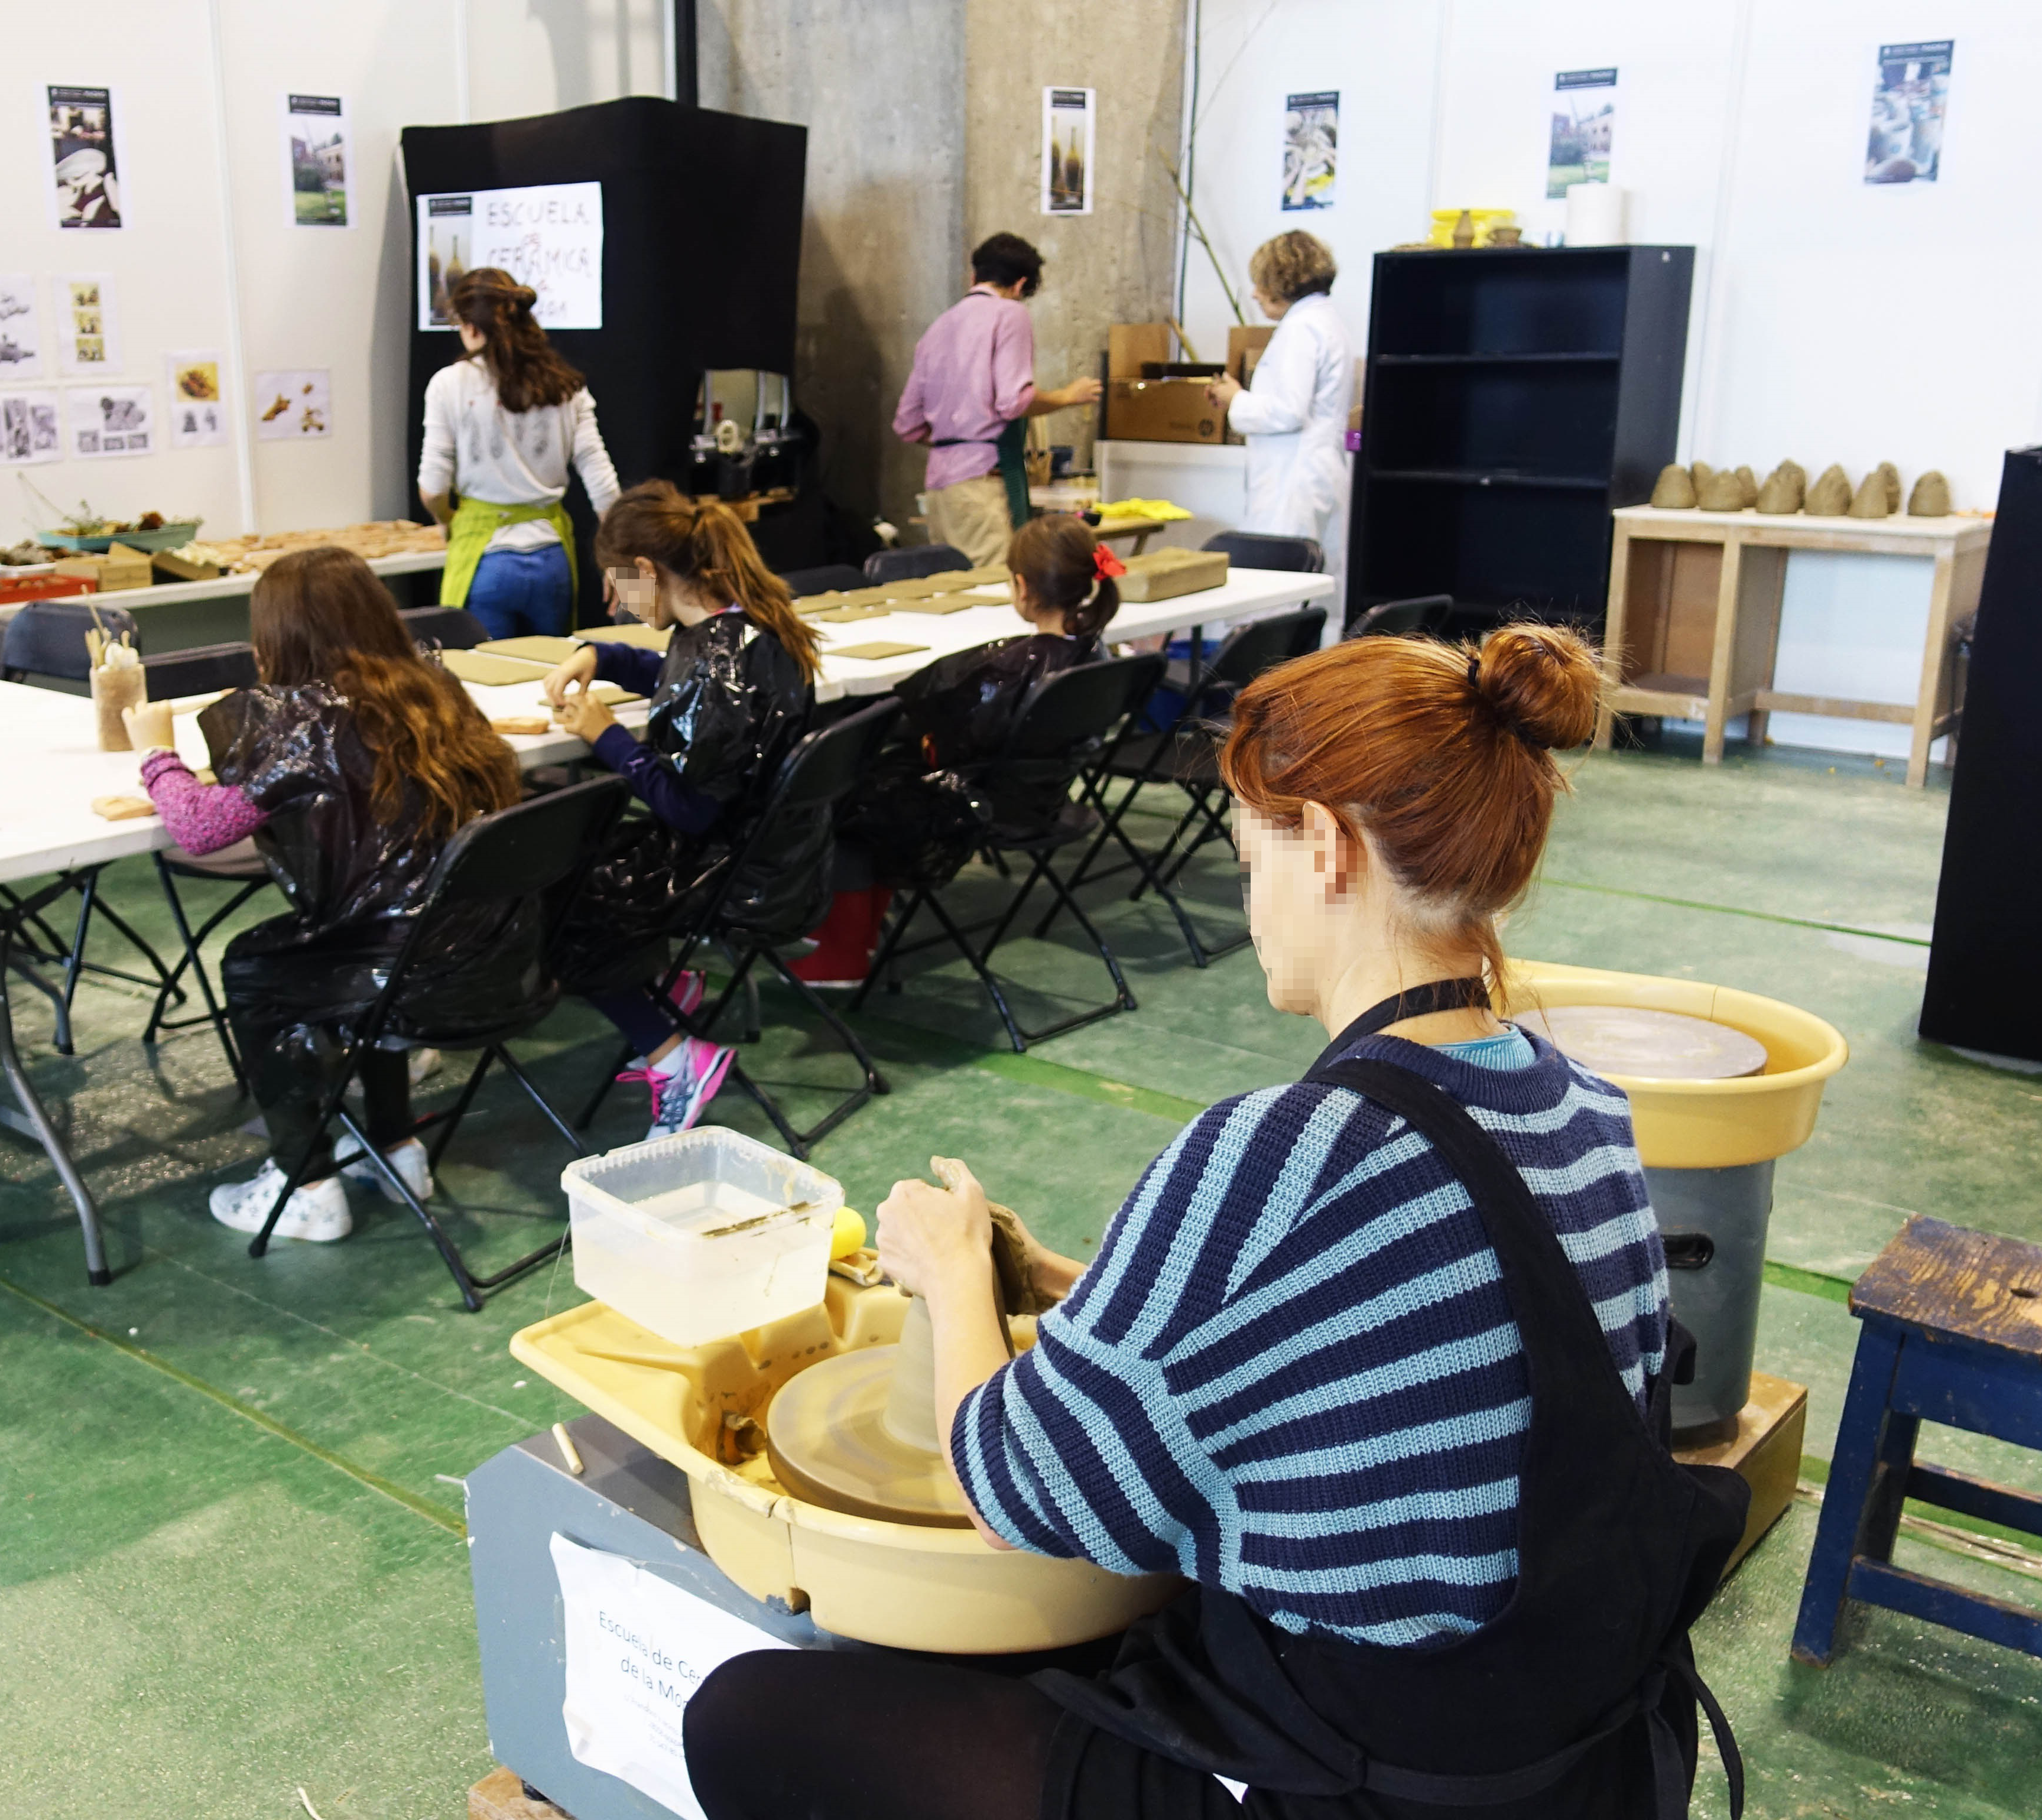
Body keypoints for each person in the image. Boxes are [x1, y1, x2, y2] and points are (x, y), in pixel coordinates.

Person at [684, 624, 1748, 1820]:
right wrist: (1061, 1280)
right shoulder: (1583, 1108)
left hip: (1375, 1783)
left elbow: (1010, 1492)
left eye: (1252, 861)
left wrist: (950, 1274)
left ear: (1327, 849)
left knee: (746, 1720)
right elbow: (1362, 1343)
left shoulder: (1288, 1153)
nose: (1252, 908)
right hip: (1576, 1757)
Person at [141, 547, 527, 1242]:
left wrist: (157, 759)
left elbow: (199, 826)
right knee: (369, 937)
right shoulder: (435, 689)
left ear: (280, 637)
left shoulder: (305, 720)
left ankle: (305, 1183)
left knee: (258, 965)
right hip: (493, 954)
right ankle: (395, 1145)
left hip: (405, 971)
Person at [539, 482, 823, 1140]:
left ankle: (674, 1056)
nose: (614, 603)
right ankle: (667, 989)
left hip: (727, 867)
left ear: (646, 569)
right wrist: (604, 654)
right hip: (776, 852)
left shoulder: (718, 661)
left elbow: (687, 808)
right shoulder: (747, 627)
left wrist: (607, 736)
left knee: (559, 900)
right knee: (594, 861)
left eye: (618, 585)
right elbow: (680, 677)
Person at [793, 512, 1124, 987]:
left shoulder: (1013, 668)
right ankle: (860, 934)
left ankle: (842, 954)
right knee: (878, 781)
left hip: (978, 806)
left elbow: (948, 739)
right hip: (1041, 798)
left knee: (846, 795)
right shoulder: (1095, 654)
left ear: (1021, 587)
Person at [418, 266, 624, 641]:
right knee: (550, 672)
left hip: (485, 559)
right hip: (553, 561)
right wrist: (622, 565)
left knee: (484, 672)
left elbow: (432, 490)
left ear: (472, 327)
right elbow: (603, 484)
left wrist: (449, 520)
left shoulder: (448, 384)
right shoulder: (565, 384)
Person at [894, 233, 1105, 568]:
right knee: (991, 589)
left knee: (952, 588)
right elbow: (1014, 402)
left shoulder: (939, 326)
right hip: (982, 484)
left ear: (973, 276)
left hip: (939, 489)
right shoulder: (1009, 314)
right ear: (1020, 285)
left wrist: (959, 441)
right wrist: (1068, 396)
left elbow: (908, 424)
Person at [1205, 231, 1353, 557]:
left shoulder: (1301, 329)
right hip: (1314, 472)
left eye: (1260, 283)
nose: (1255, 294)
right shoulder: (1326, 322)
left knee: (1282, 572)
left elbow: (1288, 411)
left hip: (1293, 482)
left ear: (1282, 282)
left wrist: (1235, 399)